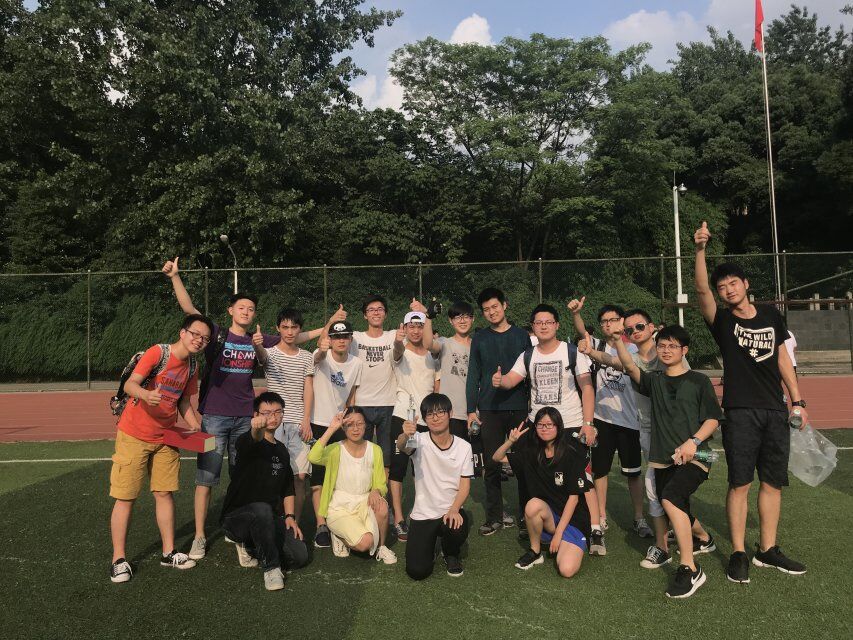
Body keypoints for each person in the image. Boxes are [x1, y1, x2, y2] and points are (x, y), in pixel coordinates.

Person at [694, 221, 809, 583]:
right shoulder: (722, 321)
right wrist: (700, 250)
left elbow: (782, 358)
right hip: (740, 412)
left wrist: (798, 401)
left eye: (732, 283)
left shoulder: (772, 315)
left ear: (745, 284)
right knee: (740, 483)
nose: (727, 289)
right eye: (722, 287)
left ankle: (768, 549)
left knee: (772, 482)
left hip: (775, 409)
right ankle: (739, 552)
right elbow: (701, 289)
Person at [612, 325, 722, 598]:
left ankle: (689, 567)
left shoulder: (699, 381)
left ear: (684, 350)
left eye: (673, 346)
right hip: (662, 459)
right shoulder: (655, 381)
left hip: (697, 456)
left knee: (671, 498)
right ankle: (704, 538)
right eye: (662, 345)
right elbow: (630, 366)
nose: (666, 350)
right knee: (675, 506)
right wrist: (618, 340)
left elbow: (712, 419)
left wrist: (693, 442)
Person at [491, 303, 606, 555]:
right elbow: (512, 379)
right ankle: (538, 520)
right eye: (538, 322)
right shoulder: (528, 355)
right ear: (533, 327)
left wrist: (588, 424)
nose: (543, 326)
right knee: (536, 473)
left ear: (556, 325)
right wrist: (500, 381)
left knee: (583, 479)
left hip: (571, 424)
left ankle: (596, 529)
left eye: (548, 322)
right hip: (540, 426)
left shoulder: (572, 352)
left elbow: (587, 388)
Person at [109, 314, 212, 583]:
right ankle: (118, 559)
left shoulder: (192, 366)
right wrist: (146, 394)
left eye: (205, 338)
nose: (199, 340)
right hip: (134, 434)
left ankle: (169, 553)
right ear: (182, 332)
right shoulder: (158, 353)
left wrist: (195, 427)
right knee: (126, 497)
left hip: (166, 437)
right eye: (195, 334)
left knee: (165, 493)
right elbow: (131, 384)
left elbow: (184, 403)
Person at [568, 300, 645, 536]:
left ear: (623, 321)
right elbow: (582, 330)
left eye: (613, 320)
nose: (608, 325)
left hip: (630, 421)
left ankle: (639, 517)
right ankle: (601, 515)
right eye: (604, 321)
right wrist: (577, 313)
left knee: (633, 473)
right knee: (600, 471)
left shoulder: (636, 349)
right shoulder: (598, 345)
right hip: (603, 420)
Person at [220, 392, 309, 591]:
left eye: (277, 412)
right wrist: (256, 428)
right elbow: (252, 439)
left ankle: (252, 545)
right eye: (267, 413)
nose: (273, 417)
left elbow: (288, 487)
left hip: (268, 519)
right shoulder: (248, 440)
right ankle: (271, 568)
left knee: (299, 556)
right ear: (256, 415)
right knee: (261, 509)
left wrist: (290, 516)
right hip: (237, 517)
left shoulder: (282, 450)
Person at [492, 408, 592, 578]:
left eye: (549, 425)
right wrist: (510, 441)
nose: (544, 428)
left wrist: (559, 534)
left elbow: (574, 499)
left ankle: (567, 541)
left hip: (573, 521)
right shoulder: (531, 453)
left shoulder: (570, 454)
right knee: (533, 505)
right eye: (540, 425)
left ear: (558, 427)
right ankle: (535, 551)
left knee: (566, 570)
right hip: (550, 517)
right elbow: (497, 458)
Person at [466, 287, 530, 536]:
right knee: (492, 463)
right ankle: (494, 517)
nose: (491, 312)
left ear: (505, 305)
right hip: (489, 408)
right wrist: (471, 410)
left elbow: (529, 372)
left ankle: (526, 515)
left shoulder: (522, 336)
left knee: (523, 463)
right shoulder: (480, 338)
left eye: (495, 306)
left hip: (519, 407)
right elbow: (473, 375)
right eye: (486, 310)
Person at [308, 407, 397, 564]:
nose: (355, 429)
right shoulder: (336, 449)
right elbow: (313, 457)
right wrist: (331, 428)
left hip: (364, 503)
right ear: (343, 427)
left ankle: (382, 547)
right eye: (350, 425)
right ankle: (338, 535)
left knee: (382, 506)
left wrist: (376, 491)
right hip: (340, 507)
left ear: (366, 426)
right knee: (366, 543)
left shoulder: (375, 450)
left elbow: (381, 483)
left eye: (360, 424)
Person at [399, 393, 473, 580]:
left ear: (450, 413)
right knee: (417, 571)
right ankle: (429, 545)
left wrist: (455, 509)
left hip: (450, 511)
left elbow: (465, 484)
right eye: (430, 414)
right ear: (424, 419)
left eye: (440, 412)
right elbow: (402, 446)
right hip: (423, 513)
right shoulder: (418, 439)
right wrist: (405, 434)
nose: (436, 417)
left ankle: (451, 552)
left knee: (457, 527)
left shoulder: (464, 447)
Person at [253, 307, 314, 524]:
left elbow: (308, 389)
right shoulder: (269, 353)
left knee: (300, 476)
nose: (289, 331)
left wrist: (306, 419)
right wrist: (257, 345)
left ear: (300, 329)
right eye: (285, 327)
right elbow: (261, 356)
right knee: (273, 474)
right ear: (278, 328)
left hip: (298, 423)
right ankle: (271, 520)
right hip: (273, 424)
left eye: (294, 327)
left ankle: (293, 524)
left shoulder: (307, 357)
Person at [310, 319, 363, 548]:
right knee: (318, 477)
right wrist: (322, 349)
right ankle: (320, 524)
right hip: (318, 423)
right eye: (336, 337)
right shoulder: (321, 355)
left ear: (350, 339)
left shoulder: (357, 363)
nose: (341, 340)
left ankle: (338, 517)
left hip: (341, 424)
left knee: (340, 475)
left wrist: (351, 417)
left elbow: (351, 395)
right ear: (329, 340)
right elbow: (318, 357)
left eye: (345, 336)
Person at [389, 309, 437, 541]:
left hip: (426, 421)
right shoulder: (400, 351)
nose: (416, 331)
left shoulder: (433, 354)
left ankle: (422, 513)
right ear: (405, 328)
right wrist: (398, 342)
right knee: (398, 469)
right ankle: (399, 518)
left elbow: (436, 386)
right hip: (403, 417)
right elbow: (397, 352)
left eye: (420, 326)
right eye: (412, 326)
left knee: (423, 470)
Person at [349, 295, 399, 477]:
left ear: (385, 314)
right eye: (371, 310)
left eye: (380, 309)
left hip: (388, 403)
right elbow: (328, 338)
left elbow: (420, 334)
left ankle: (383, 493)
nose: (376, 313)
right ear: (365, 315)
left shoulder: (394, 335)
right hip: (362, 404)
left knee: (386, 457)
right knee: (362, 454)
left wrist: (423, 312)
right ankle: (364, 491)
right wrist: (333, 320)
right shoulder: (355, 338)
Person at [427, 300, 474, 440]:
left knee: (475, 453)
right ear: (450, 321)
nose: (462, 321)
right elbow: (428, 344)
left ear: (473, 319)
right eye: (457, 317)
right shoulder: (445, 343)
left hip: (474, 413)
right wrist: (428, 317)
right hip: (451, 413)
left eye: (466, 316)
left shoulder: (478, 346)